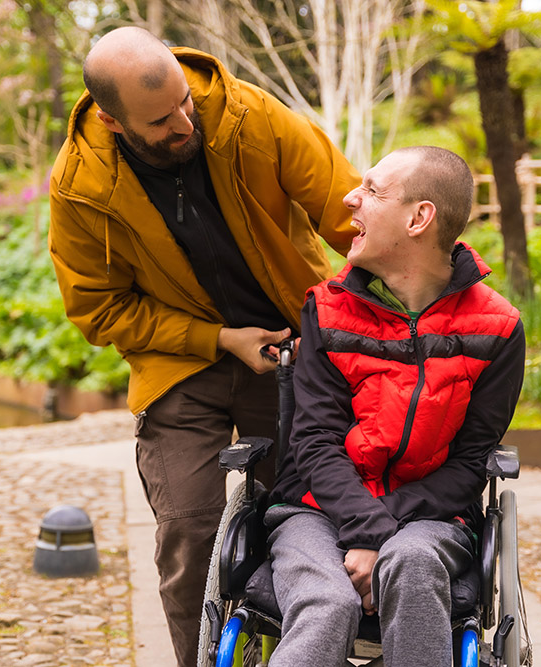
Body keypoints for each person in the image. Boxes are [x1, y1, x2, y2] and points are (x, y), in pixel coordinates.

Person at [47, 26, 360, 665]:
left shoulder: (249, 116)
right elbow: (99, 308)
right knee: (191, 533)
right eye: (160, 121)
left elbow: (350, 212)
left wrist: (409, 292)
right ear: (111, 120)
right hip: (180, 365)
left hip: (291, 346)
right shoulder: (79, 186)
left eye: (185, 103)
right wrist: (216, 338)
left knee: (297, 521)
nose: (184, 123)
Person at [266, 146, 526, 667]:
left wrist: (382, 531)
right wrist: (368, 529)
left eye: (372, 191)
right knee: (326, 601)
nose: (350, 198)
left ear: (419, 218)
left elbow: (472, 462)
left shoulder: (497, 329)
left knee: (411, 562)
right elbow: (314, 441)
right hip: (314, 510)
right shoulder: (327, 308)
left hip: (430, 517)